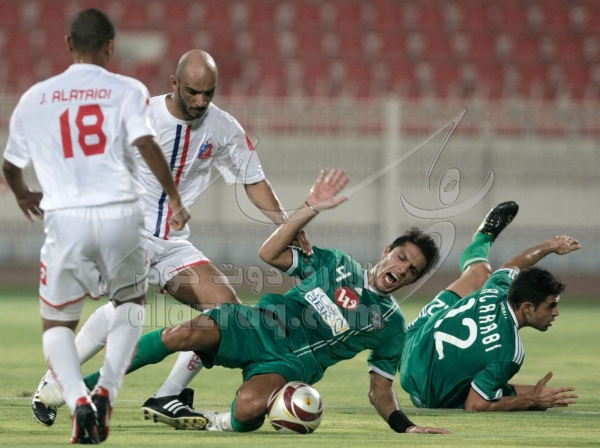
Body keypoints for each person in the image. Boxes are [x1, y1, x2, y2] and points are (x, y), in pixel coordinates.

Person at [32, 49, 310, 430]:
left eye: (208, 93)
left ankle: (167, 394)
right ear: (174, 83)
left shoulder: (223, 127)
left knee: (227, 314)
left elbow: (254, 180)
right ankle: (52, 384)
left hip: (173, 243)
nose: (200, 101)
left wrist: (287, 224)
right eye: (192, 92)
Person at [80, 168, 451, 435]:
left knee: (249, 408)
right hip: (258, 324)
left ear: (414, 280)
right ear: (387, 252)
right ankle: (88, 388)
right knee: (180, 334)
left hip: (290, 363)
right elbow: (269, 253)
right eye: (401, 258)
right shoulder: (337, 264)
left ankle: (216, 423)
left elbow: (380, 391)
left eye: (412, 271)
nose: (402, 270)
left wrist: (405, 426)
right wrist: (310, 208)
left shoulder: (391, 326)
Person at [2, 8, 190, 444]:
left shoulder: (35, 98)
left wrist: (23, 194)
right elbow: (146, 144)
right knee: (130, 304)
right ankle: (106, 389)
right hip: (120, 214)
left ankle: (77, 401)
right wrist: (175, 197)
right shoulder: (128, 89)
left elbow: (10, 165)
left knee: (57, 326)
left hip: (65, 219)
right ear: (110, 47)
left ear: (68, 43)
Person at [400, 201, 581, 411]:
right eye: (551, 306)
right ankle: (484, 236)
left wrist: (550, 245)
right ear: (527, 307)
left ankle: (483, 237)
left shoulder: (497, 289)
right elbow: (474, 405)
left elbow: (513, 264)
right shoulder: (509, 352)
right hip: (426, 396)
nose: (556, 312)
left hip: (409, 345)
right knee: (513, 394)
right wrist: (531, 400)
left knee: (480, 272)